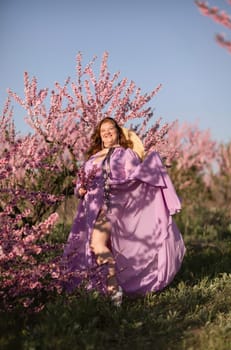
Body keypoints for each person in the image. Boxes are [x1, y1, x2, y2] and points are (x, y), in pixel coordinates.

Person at [62, 117, 186, 306]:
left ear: (118, 132)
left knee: (97, 244)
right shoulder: (92, 158)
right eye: (103, 130)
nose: (107, 132)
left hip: (111, 207)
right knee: (99, 248)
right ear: (99, 135)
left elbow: (135, 177)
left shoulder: (125, 155)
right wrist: (79, 189)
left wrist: (152, 166)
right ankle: (106, 290)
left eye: (111, 128)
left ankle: (114, 290)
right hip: (90, 210)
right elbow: (80, 183)